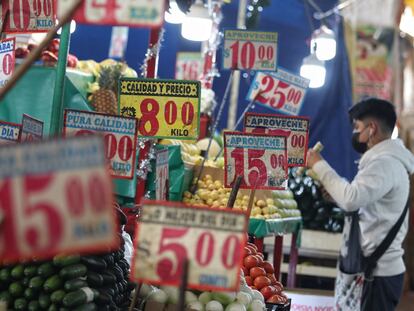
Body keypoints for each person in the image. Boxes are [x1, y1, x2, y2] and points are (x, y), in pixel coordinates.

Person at [306, 98, 414, 310]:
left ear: (371, 128)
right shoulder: (383, 162)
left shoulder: (384, 163)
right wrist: (334, 195)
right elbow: (366, 206)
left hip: (378, 273)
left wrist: (319, 165)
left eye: (357, 127)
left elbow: (351, 199)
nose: (355, 133)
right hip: (376, 269)